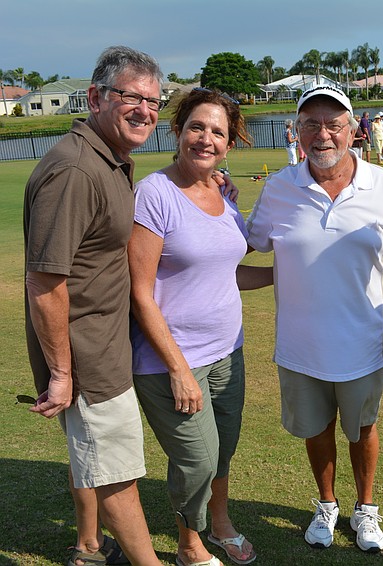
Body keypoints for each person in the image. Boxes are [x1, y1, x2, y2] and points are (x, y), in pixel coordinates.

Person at [246, 84, 383, 553]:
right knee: (316, 429)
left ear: (352, 130)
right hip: (300, 346)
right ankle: (327, 504)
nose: (322, 135)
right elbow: (241, 243)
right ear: (298, 131)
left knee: (363, 429)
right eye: (311, 124)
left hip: (363, 344)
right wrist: (209, 192)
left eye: (333, 124)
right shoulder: (280, 187)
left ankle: (365, 508)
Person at [23, 45, 164, 566]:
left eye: (155, 101)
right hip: (88, 354)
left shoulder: (110, 159)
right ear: (95, 97)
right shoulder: (76, 170)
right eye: (132, 97)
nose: (146, 110)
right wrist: (62, 372)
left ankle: (91, 546)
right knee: (115, 471)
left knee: (99, 457)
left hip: (106, 344)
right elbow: (45, 281)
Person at [129, 87, 271, 566]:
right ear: (178, 130)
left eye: (218, 132)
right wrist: (178, 368)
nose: (206, 138)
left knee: (222, 451)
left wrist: (284, 277)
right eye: (197, 127)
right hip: (171, 359)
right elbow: (140, 292)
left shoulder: (224, 193)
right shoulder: (154, 193)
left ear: (229, 143)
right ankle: (190, 545)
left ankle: (220, 522)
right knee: (198, 459)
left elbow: (225, 272)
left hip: (227, 352)